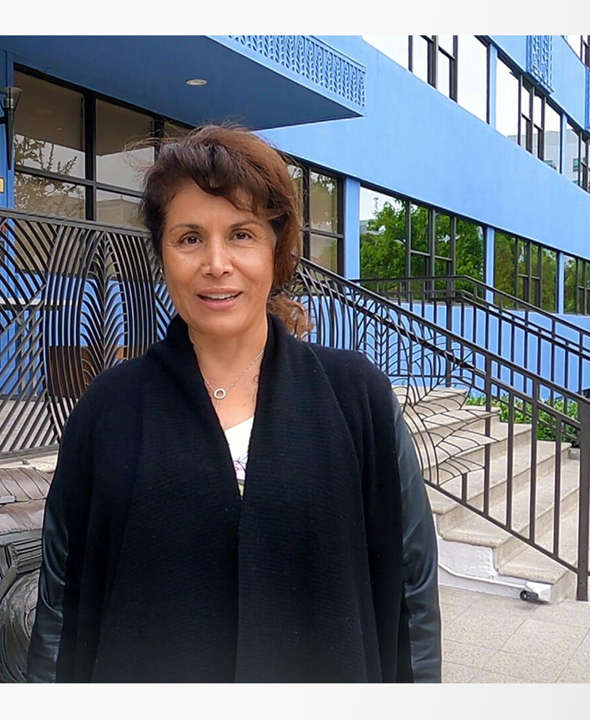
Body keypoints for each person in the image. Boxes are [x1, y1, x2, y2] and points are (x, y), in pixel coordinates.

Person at [24, 125, 440, 682]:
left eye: (241, 234)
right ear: (162, 255)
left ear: (276, 249)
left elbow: (412, 588)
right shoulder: (109, 409)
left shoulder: (356, 398)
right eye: (189, 238)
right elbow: (61, 597)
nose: (216, 263)